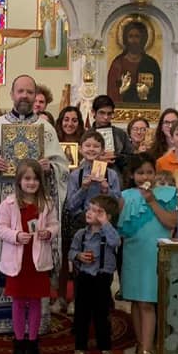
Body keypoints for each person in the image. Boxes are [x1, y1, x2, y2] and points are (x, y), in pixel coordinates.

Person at [0, 75, 69, 334]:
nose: (24, 96)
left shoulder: (46, 129)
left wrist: (51, 168)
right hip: (4, 202)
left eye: (29, 91)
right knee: (4, 254)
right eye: (20, 91)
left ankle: (34, 321)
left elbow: (63, 168)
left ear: (35, 95)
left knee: (34, 256)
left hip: (36, 204)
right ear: (12, 94)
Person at [118, 153, 178, 354]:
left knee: (147, 302)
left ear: (155, 173)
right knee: (135, 301)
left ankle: (148, 352)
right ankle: (140, 343)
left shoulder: (167, 193)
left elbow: (170, 222)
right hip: (133, 252)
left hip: (154, 253)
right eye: (140, 173)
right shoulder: (124, 196)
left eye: (149, 172)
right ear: (132, 175)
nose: (145, 177)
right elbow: (120, 228)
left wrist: (152, 201)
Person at [0, 159, 59, 354]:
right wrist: (15, 235)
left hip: (37, 261)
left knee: (35, 302)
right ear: (19, 181)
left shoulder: (47, 203)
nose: (31, 183)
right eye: (27, 179)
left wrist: (48, 232)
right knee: (19, 302)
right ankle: (19, 343)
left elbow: (54, 225)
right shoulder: (8, 203)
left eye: (35, 179)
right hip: (18, 261)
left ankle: (32, 342)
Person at [59, 131, 123, 313]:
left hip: (104, 223)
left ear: (102, 150)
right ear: (80, 149)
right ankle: (78, 299)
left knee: (103, 259)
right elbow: (70, 205)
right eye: (87, 145)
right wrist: (84, 188)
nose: (91, 149)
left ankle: (104, 299)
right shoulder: (75, 175)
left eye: (96, 146)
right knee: (81, 262)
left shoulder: (111, 175)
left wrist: (106, 189)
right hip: (82, 223)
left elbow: (117, 203)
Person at [68, 195, 123, 354]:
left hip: (102, 277)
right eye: (89, 209)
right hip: (84, 277)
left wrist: (105, 223)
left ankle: (106, 349)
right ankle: (79, 348)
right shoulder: (81, 234)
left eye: (96, 211)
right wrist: (79, 256)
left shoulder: (109, 234)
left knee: (102, 314)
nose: (90, 213)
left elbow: (116, 242)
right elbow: (71, 252)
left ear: (108, 216)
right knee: (81, 314)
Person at [106, 21, 161, 106]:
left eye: (137, 36)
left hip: (146, 108)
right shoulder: (118, 64)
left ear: (143, 39)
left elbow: (157, 91)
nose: (134, 40)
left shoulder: (151, 64)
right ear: (125, 39)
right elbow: (112, 91)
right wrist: (122, 90)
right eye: (130, 36)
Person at [88, 95, 134, 174]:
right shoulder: (86, 135)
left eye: (109, 114)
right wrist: (95, 158)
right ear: (93, 112)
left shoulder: (121, 134)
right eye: (102, 113)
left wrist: (116, 156)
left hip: (117, 175)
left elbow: (131, 159)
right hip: (91, 175)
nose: (106, 117)